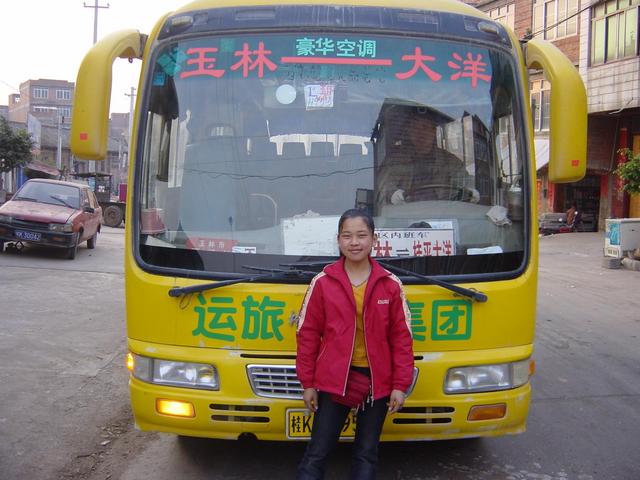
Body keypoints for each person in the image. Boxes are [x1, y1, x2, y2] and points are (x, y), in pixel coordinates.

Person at [295, 208, 414, 480]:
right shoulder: (323, 283)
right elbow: (307, 335)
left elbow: (402, 339)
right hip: (334, 380)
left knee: (366, 453)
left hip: (378, 383)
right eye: (347, 236)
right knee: (317, 451)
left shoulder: (390, 285)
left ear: (374, 240)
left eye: (362, 235)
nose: (354, 242)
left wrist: (399, 386)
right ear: (338, 240)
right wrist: (308, 383)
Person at [377, 109, 478, 205]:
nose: (420, 133)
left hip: (443, 213)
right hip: (404, 213)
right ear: (410, 132)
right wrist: (392, 194)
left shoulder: (451, 161)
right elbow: (383, 184)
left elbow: (464, 181)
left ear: (433, 131)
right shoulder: (395, 160)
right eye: (415, 128)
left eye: (425, 127)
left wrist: (470, 191)